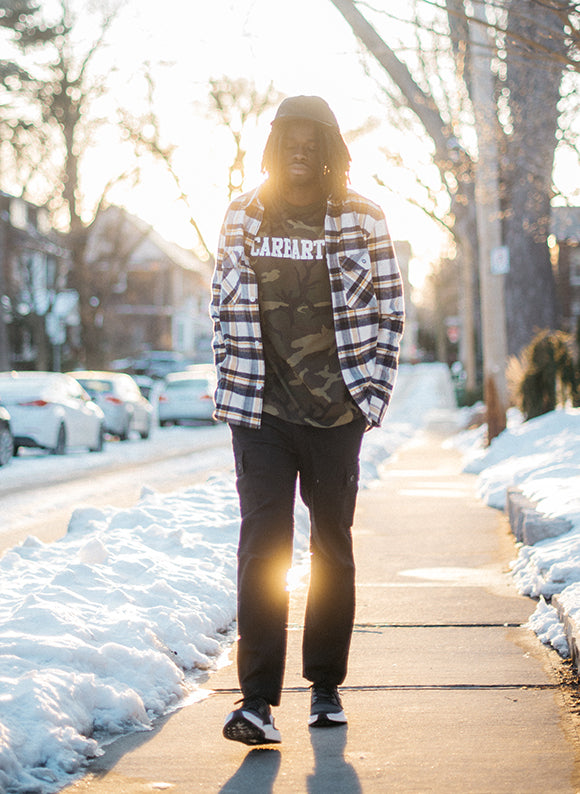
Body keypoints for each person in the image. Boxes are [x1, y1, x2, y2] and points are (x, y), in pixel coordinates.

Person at [210, 95, 405, 745]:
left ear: (330, 149)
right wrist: (234, 388)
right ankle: (257, 702)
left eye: (312, 138)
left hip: (335, 414)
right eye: (288, 136)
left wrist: (368, 398)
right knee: (262, 547)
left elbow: (390, 311)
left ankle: (324, 685)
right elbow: (224, 308)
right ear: (273, 145)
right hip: (260, 413)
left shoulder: (362, 218)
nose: (300, 147)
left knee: (331, 548)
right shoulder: (245, 215)